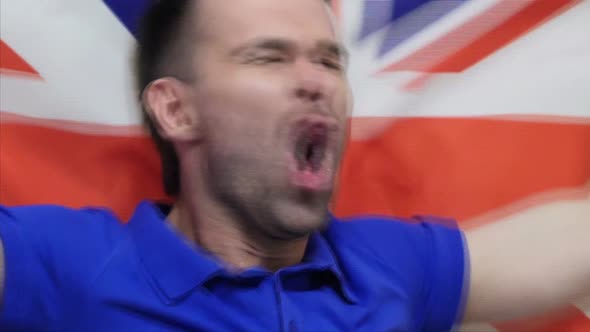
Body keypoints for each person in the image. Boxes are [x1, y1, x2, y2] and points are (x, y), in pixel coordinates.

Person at [0, 0, 588, 331]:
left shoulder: (386, 267)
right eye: (269, 57)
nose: (316, 83)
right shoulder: (63, 265)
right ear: (176, 110)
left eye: (330, 62)